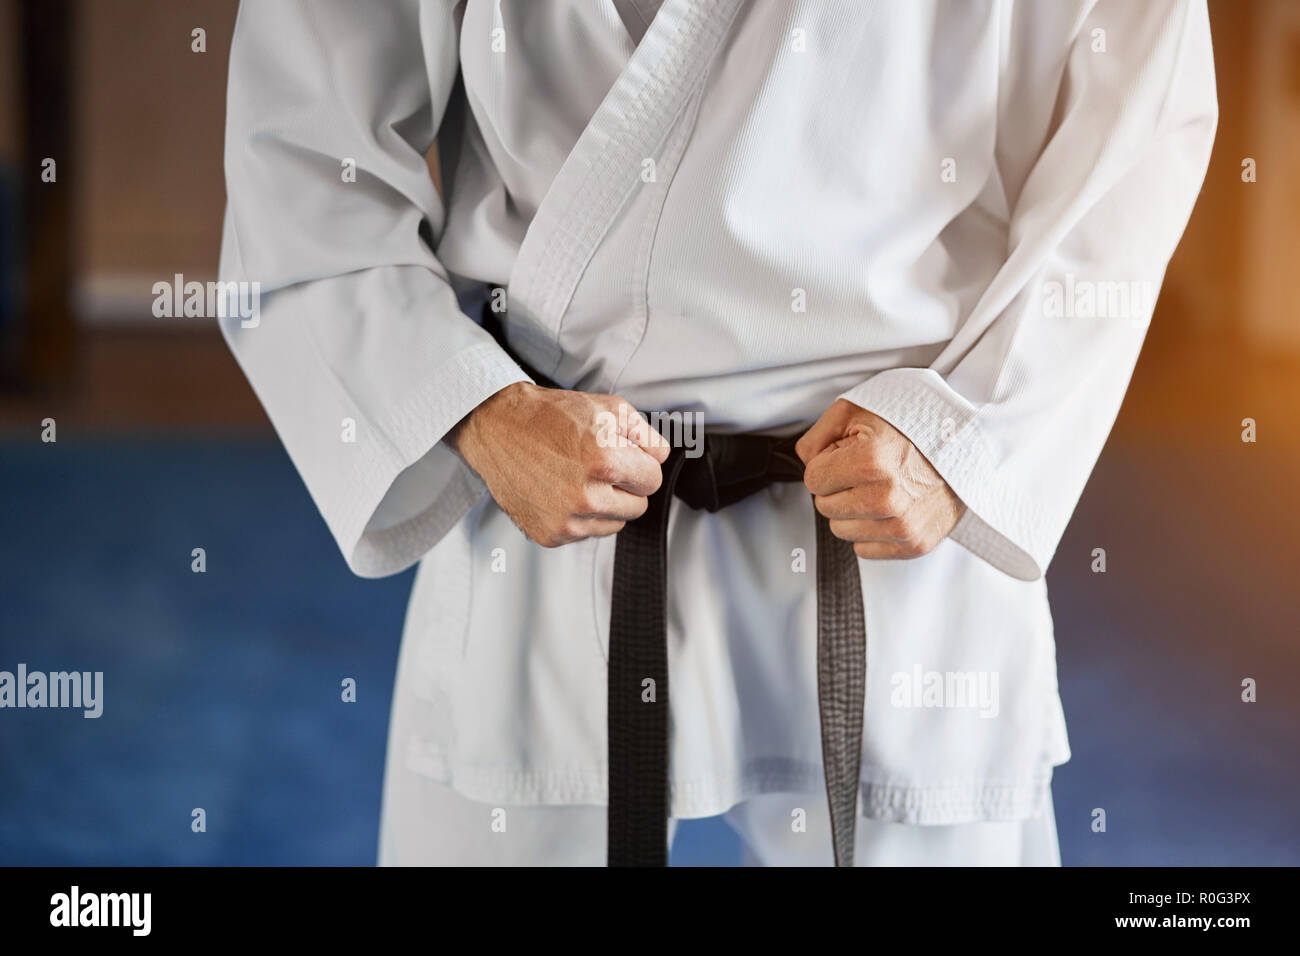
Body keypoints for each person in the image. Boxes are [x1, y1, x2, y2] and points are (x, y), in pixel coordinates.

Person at [219, 0, 1217, 865]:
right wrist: (481, 411)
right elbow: (302, 149)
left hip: (891, 504)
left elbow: (1138, 127)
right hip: (558, 484)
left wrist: (965, 436)